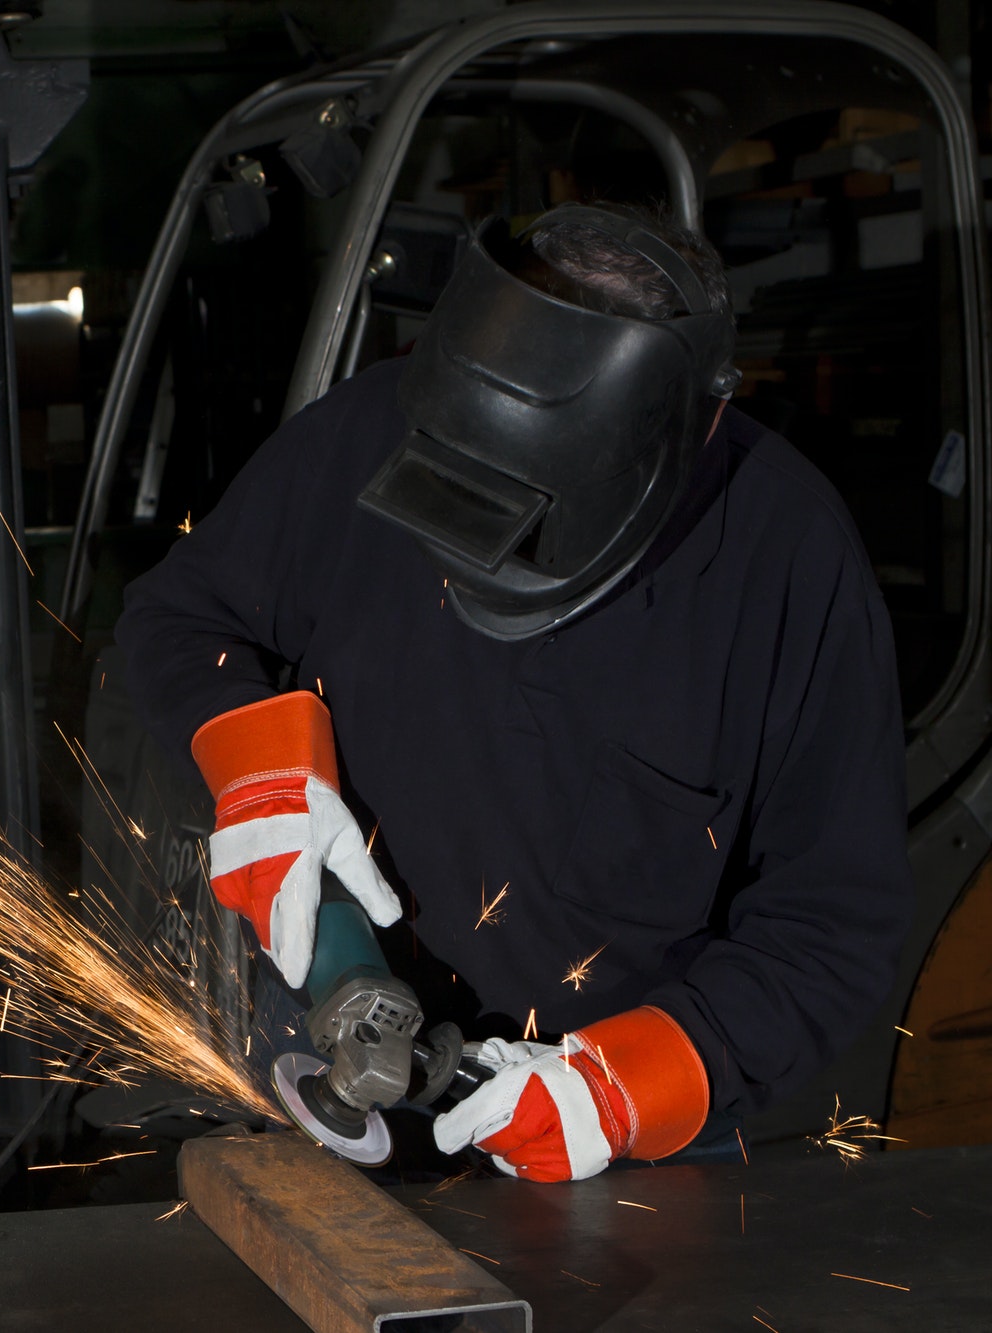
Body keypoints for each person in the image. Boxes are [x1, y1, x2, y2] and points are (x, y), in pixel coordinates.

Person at [115, 202, 914, 1182]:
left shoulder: (789, 562)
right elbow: (178, 621)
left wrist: (636, 1082)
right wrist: (254, 766)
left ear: (697, 420)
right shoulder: (366, 428)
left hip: (599, 1138)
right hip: (311, 1053)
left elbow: (830, 927)